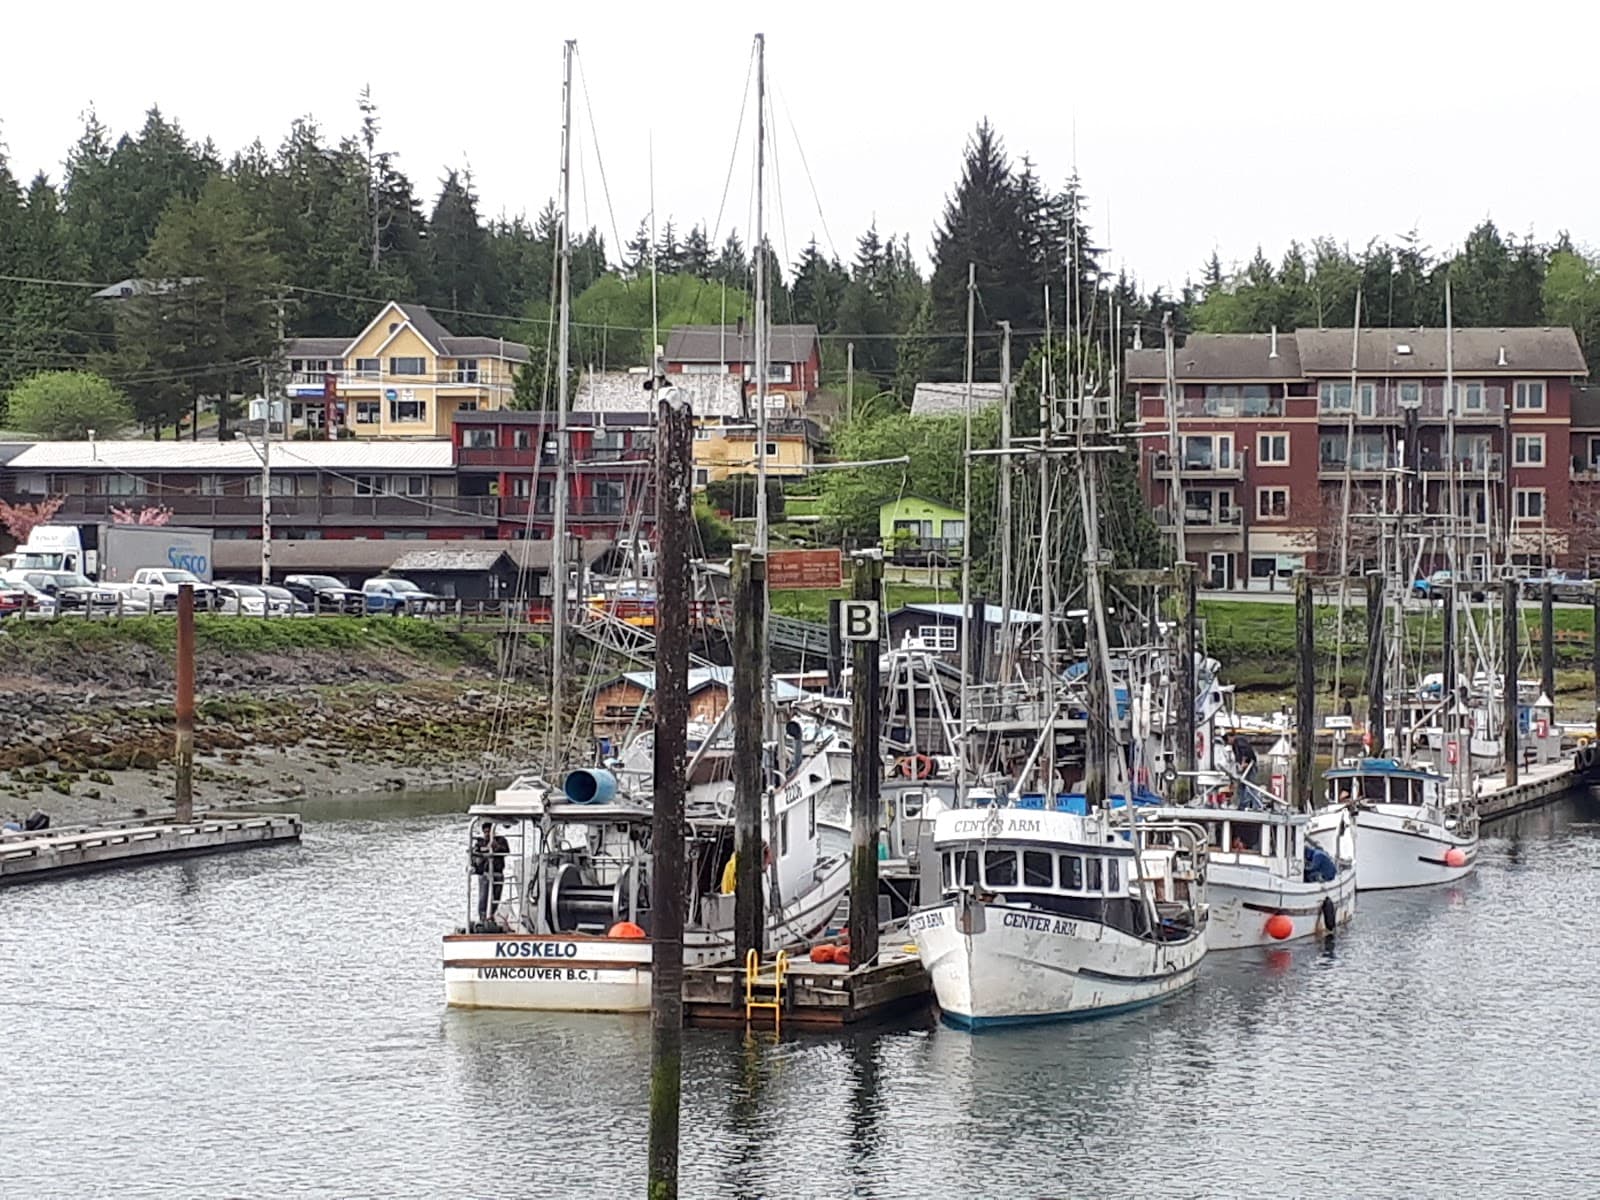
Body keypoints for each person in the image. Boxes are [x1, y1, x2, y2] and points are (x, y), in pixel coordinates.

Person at [470, 820, 509, 927]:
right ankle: (483, 918)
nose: (487, 834)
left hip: (498, 873)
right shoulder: (480, 843)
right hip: (485, 874)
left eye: (489, 832)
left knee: (496, 897)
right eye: (485, 832)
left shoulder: (501, 840)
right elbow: (474, 854)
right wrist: (481, 853)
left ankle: (492, 915)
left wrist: (496, 846)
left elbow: (506, 851)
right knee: (483, 896)